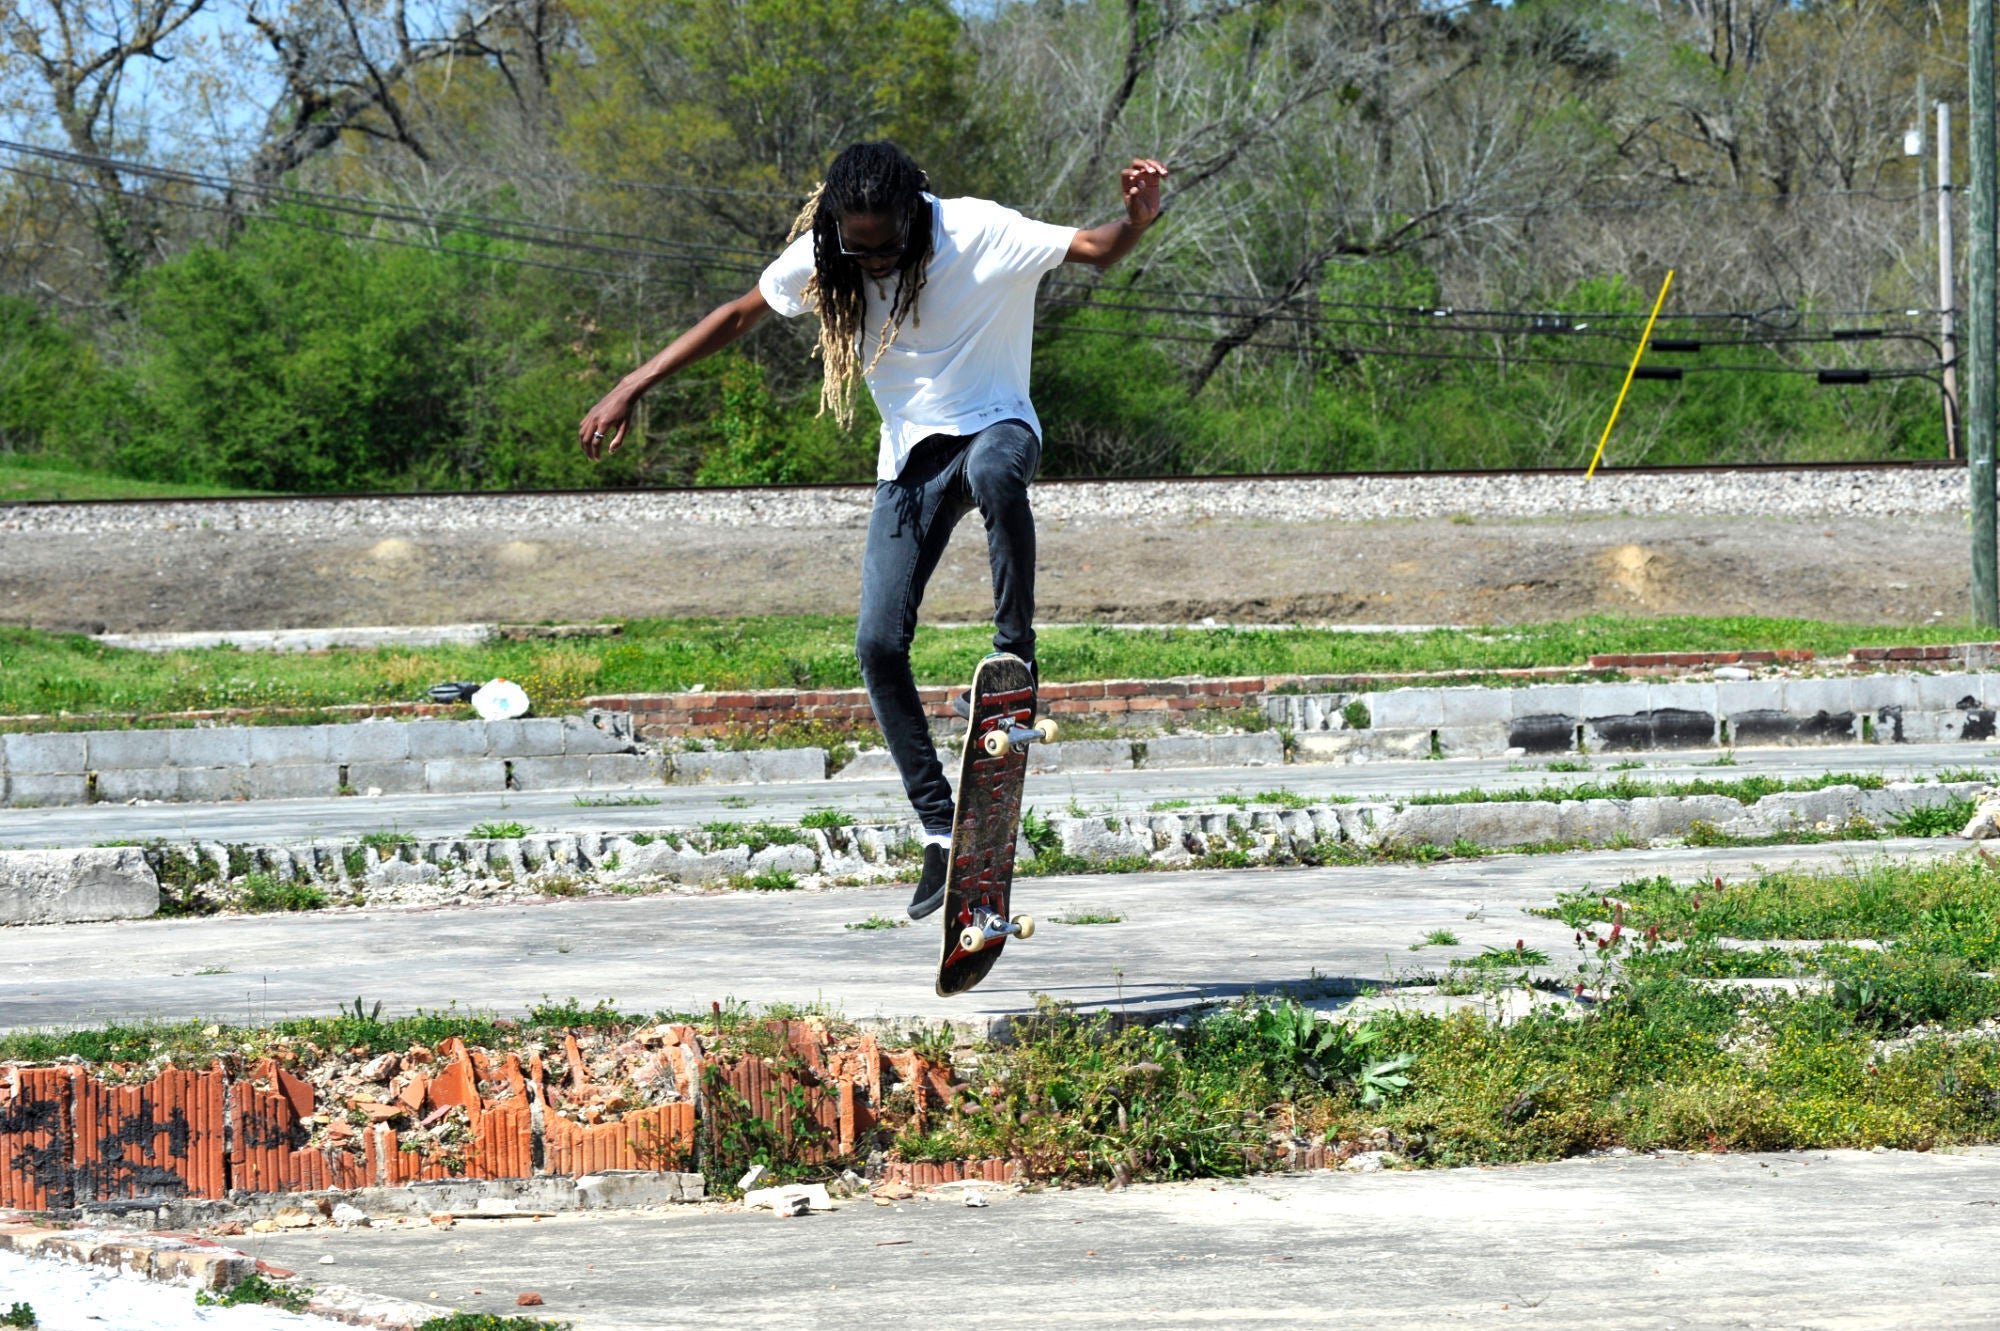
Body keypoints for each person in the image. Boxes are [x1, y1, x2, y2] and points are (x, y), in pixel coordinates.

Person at [579, 141, 1168, 919]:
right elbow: (737, 315)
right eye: (859, 250)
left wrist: (1137, 218)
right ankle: (936, 827)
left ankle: (1014, 659)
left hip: (997, 427)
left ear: (915, 215)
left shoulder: (977, 230)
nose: (877, 262)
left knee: (995, 473)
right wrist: (633, 383)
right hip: (909, 463)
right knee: (875, 643)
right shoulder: (828, 254)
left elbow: (1094, 249)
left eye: (889, 244)